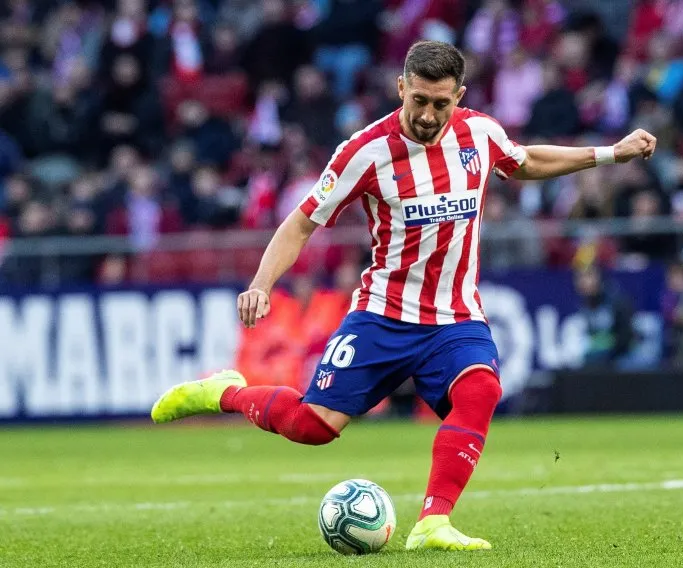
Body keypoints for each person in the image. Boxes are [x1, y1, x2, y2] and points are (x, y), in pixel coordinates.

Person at [150, 41, 656, 551]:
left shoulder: (480, 133)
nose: (428, 114)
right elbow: (302, 222)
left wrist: (611, 153)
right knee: (313, 426)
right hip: (383, 314)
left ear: (459, 96)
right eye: (419, 100)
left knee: (480, 390)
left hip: (456, 314)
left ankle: (433, 522)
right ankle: (224, 392)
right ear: (401, 88)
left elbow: (522, 162)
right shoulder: (365, 151)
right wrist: (261, 284)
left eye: (441, 103)